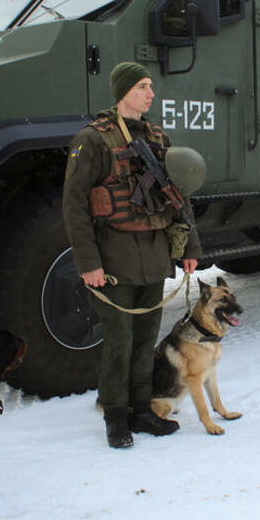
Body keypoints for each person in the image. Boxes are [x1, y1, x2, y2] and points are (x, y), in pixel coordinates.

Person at [63, 61, 202, 448]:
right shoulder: (91, 140)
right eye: (143, 86)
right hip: (114, 258)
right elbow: (74, 206)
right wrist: (89, 263)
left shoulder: (157, 136)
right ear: (123, 91)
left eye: (150, 86)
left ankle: (142, 409)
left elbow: (179, 195)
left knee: (145, 339)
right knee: (119, 341)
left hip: (154, 254)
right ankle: (115, 414)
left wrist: (190, 247)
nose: (150, 93)